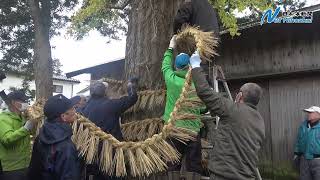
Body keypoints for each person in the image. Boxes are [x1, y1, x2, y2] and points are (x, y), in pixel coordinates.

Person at [189, 50, 265, 180]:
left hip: (224, 176)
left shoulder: (233, 110)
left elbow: (204, 92)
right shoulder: (260, 121)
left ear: (240, 95)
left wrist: (196, 66)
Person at [162, 36, 203, 176]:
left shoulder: (171, 79)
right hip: (192, 131)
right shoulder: (197, 85)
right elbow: (204, 107)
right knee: (194, 166)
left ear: (176, 67)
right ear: (190, 67)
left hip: (173, 129)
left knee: (172, 164)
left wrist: (170, 46)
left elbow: (165, 65)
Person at [82, 79, 138, 180]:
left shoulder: (86, 107)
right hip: (111, 149)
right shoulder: (110, 105)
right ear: (104, 92)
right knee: (113, 174)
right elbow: (132, 98)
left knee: (98, 175)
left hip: (92, 149)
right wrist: (131, 86)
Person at [28, 94, 80, 180]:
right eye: (72, 109)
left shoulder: (41, 136)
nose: (75, 111)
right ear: (63, 116)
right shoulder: (66, 146)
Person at [0, 90, 34, 180]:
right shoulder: (3, 118)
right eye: (22, 101)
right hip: (11, 168)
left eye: (26, 101)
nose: (25, 104)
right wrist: (25, 129)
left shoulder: (22, 117)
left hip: (24, 164)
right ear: (13, 102)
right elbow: (7, 139)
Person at [294, 106, 320, 180]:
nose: (308, 114)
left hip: (317, 160)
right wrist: (296, 154)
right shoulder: (303, 126)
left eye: (310, 112)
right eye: (308, 112)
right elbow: (298, 140)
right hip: (304, 159)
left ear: (318, 114)